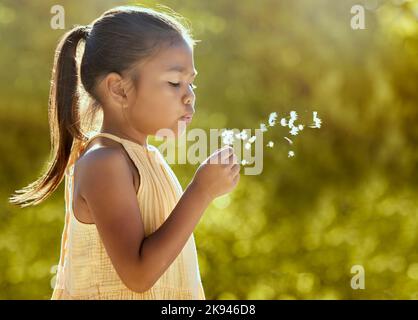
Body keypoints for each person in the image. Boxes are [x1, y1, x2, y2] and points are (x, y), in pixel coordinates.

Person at [9, 5, 240, 299]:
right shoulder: (104, 162)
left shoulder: (148, 160)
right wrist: (201, 192)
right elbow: (138, 275)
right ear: (118, 89)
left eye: (191, 82)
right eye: (174, 82)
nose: (189, 95)